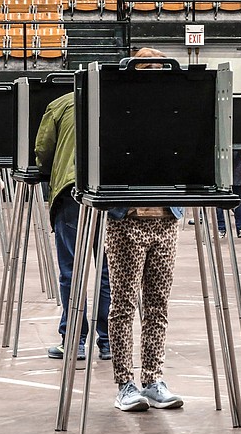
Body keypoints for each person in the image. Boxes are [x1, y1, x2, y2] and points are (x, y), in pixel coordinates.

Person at [104, 47, 184, 412]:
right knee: (122, 305)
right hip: (126, 222)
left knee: (158, 305)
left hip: (165, 222)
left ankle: (153, 378)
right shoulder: (116, 112)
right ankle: (125, 383)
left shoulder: (174, 112)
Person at [35, 92, 112, 362]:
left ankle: (75, 341)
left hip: (72, 192)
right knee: (109, 271)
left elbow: (43, 149)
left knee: (71, 270)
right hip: (112, 192)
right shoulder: (121, 99)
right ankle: (109, 342)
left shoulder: (61, 103)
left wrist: (47, 170)